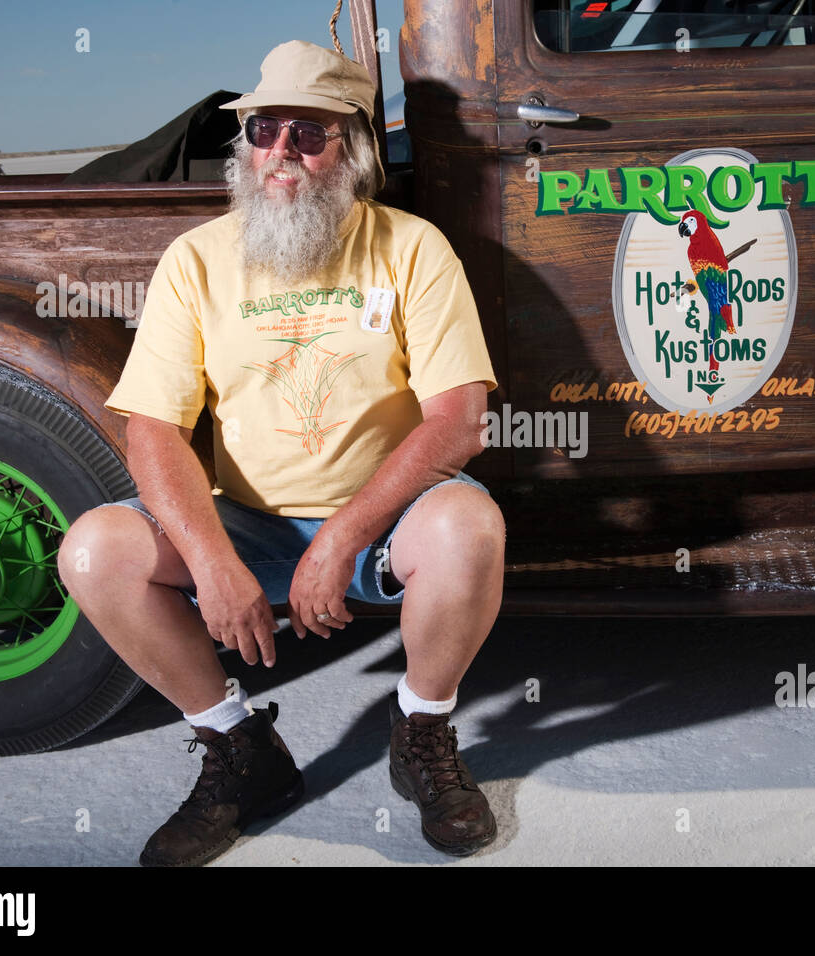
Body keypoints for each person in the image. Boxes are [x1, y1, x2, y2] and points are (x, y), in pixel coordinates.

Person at [58, 40, 505, 866]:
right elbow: (152, 427)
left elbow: (459, 420)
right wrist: (212, 558)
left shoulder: (411, 248)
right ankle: (240, 750)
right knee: (93, 551)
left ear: (354, 150)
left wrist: (342, 538)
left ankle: (422, 731)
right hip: (247, 521)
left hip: (385, 520)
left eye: (310, 132)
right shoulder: (197, 259)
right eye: (265, 129)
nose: (281, 152)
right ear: (245, 142)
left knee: (469, 527)